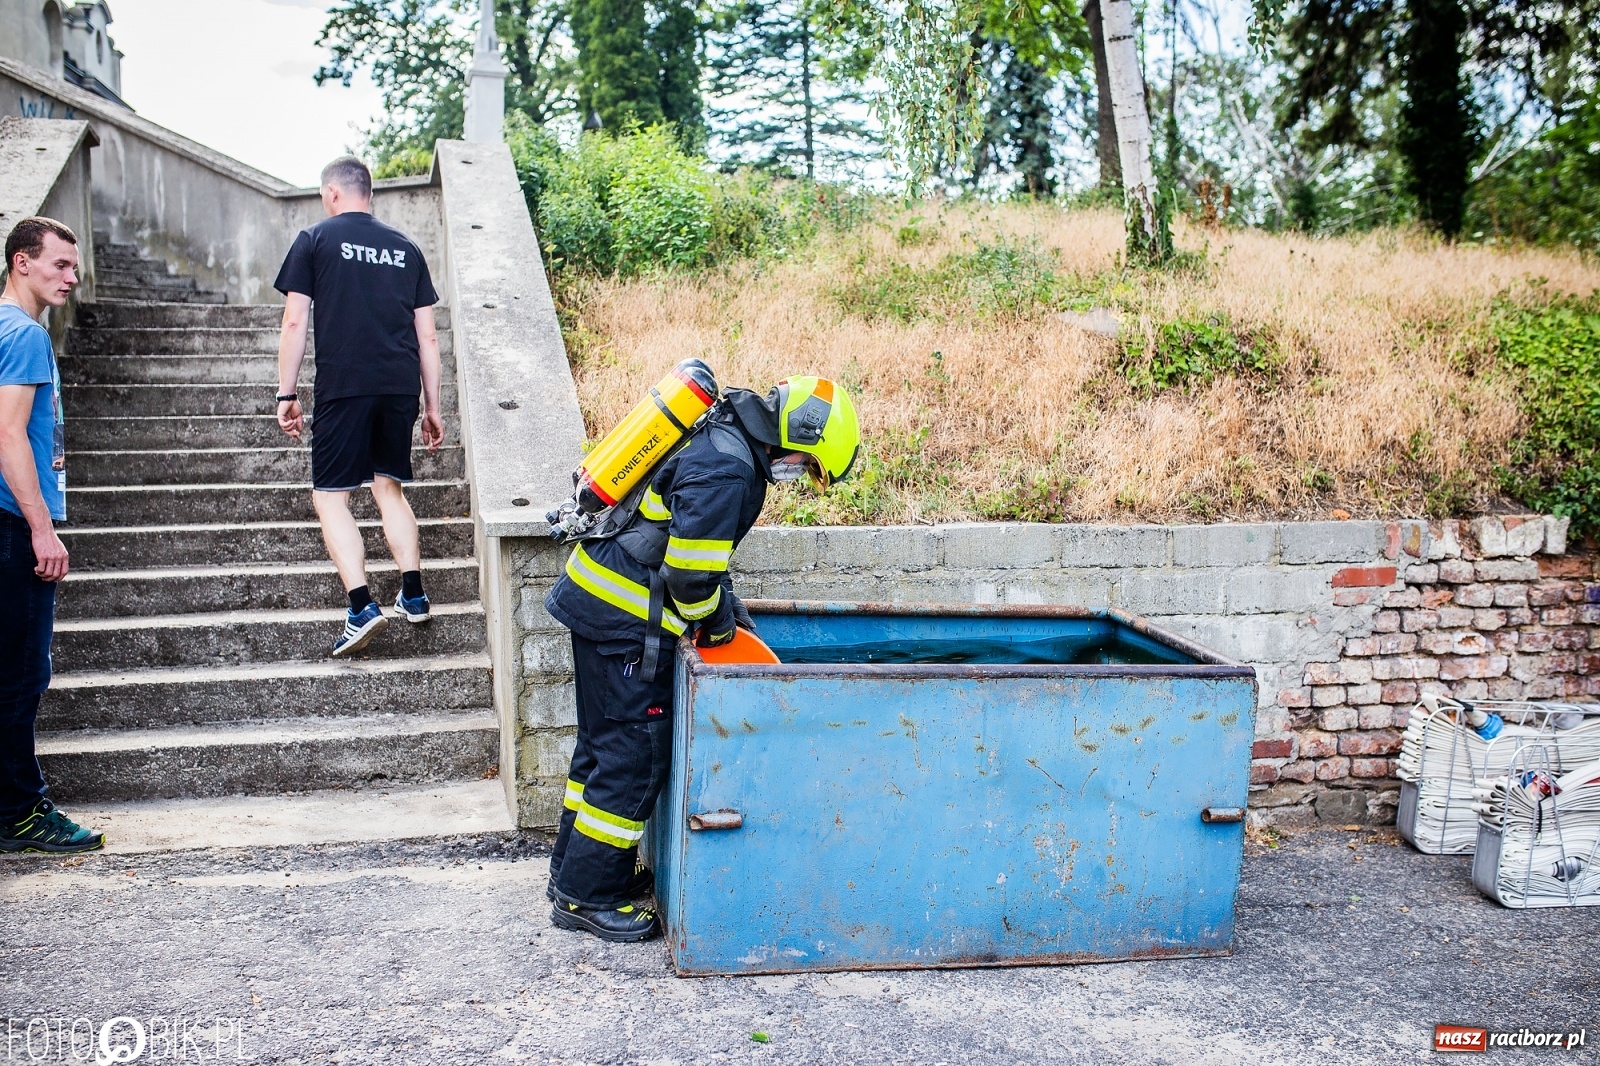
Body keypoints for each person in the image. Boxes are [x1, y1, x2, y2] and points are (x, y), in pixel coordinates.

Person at [544, 376, 860, 942]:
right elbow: (690, 578)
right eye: (808, 466)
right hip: (625, 621)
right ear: (798, 440)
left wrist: (729, 606)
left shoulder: (721, 433)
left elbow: (693, 547)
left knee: (598, 745)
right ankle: (588, 897)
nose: (800, 478)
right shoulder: (730, 468)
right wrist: (716, 626)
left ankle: (573, 872)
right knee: (632, 758)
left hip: (596, 599)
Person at [274, 156, 445, 657]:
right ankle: (413, 594)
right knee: (388, 488)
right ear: (368, 193)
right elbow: (429, 337)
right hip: (398, 387)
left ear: (331, 194)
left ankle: (361, 607)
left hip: (345, 385)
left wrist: (287, 393)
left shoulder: (314, 240)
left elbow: (293, 323)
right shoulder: (407, 248)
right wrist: (432, 406)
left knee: (332, 497)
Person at [0, 217, 103, 854]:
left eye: (73, 265)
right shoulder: (25, 335)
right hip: (13, 525)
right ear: (21, 263)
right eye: (60, 265)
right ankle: (22, 813)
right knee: (20, 675)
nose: (71, 276)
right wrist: (42, 528)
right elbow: (9, 437)